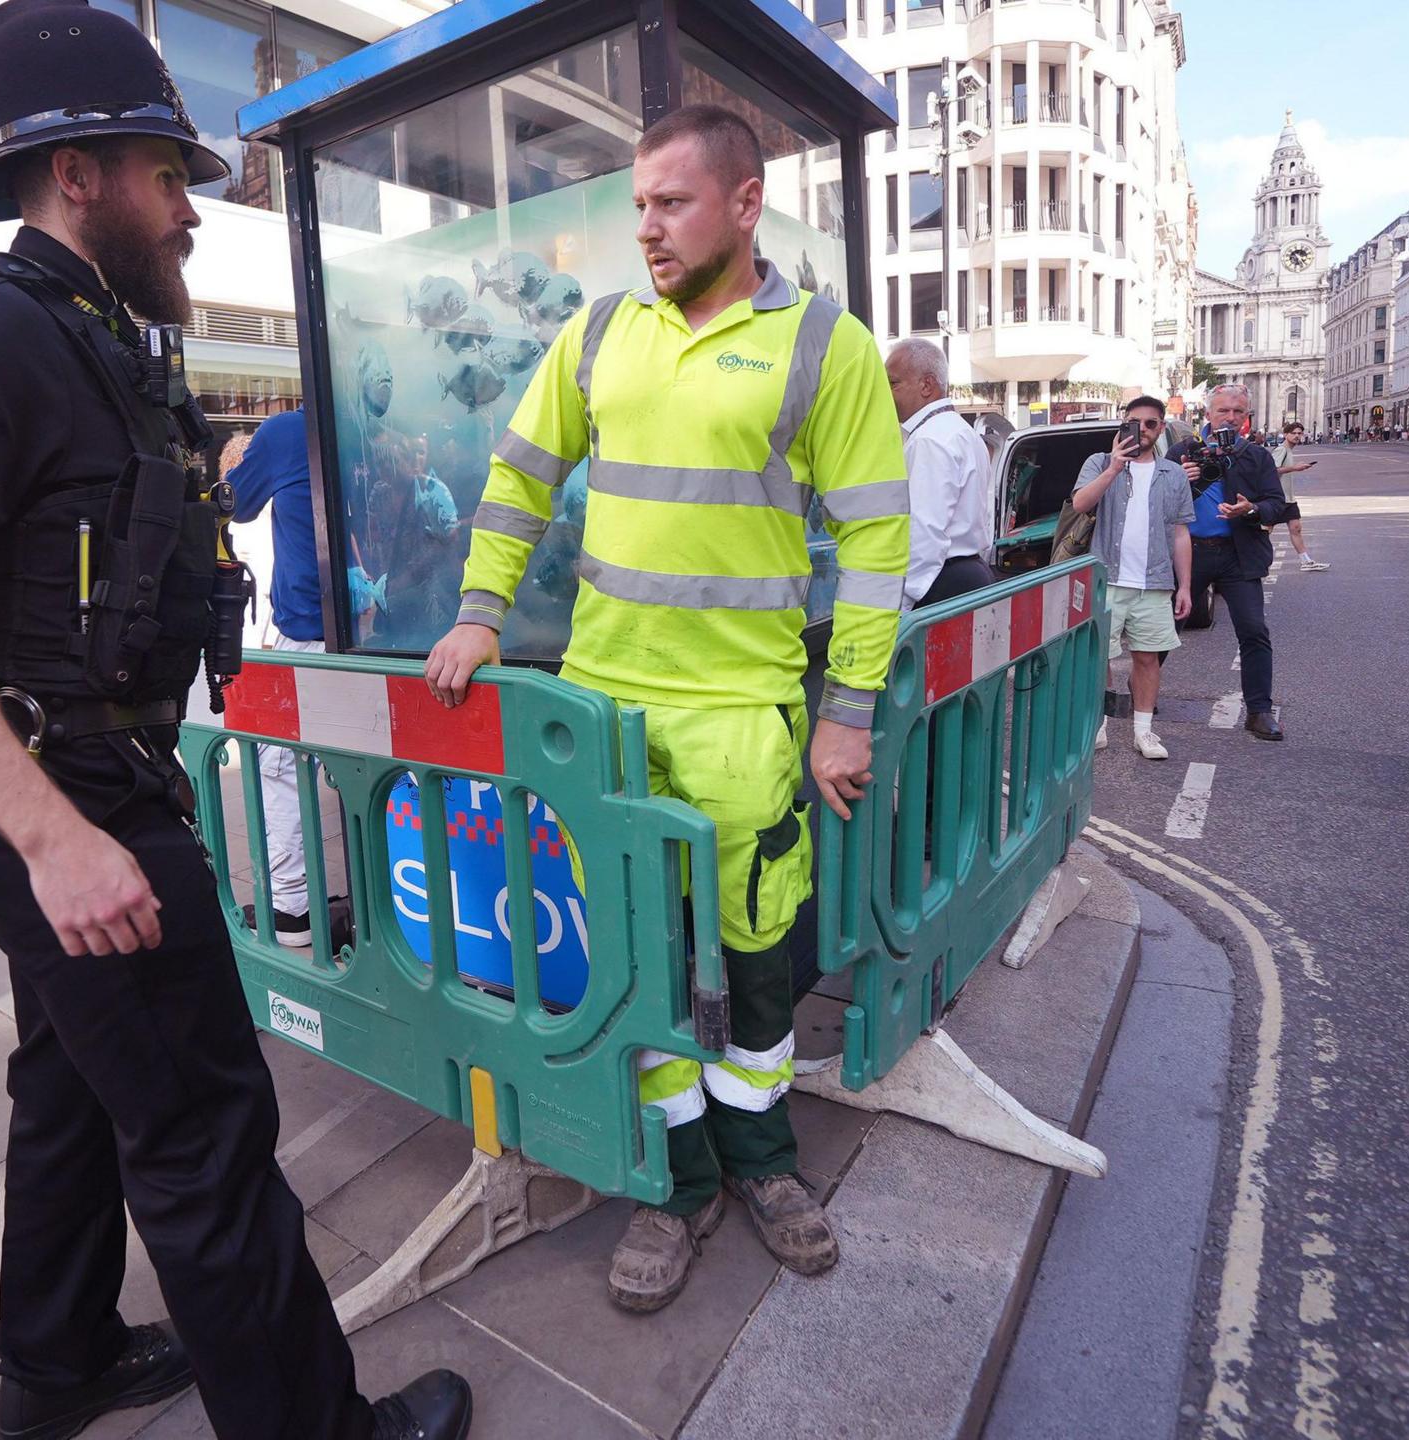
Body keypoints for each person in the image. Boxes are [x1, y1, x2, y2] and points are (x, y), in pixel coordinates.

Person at [0, 7, 466, 1439]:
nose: (190, 212)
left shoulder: (89, 344)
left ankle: (52, 1367)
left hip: (100, 778)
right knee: (206, 1135)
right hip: (72, 804)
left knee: (70, 1082)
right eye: (169, 177)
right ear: (77, 171)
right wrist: (57, 841)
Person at [426, 103, 908, 1313]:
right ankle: (678, 1183)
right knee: (635, 966)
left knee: (753, 970)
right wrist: (481, 609)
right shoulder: (596, 336)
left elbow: (875, 540)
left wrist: (844, 710)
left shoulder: (820, 343)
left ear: (744, 205)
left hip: (745, 721)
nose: (644, 226)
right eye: (636, 204)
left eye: (670, 202)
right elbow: (519, 475)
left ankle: (762, 1162)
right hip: (604, 723)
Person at [226, 410, 328, 945]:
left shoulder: (289, 430)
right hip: (396, 632)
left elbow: (234, 501)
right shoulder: (397, 428)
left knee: (282, 767)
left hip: (310, 636)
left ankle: (292, 908)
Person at [1069, 396, 1191, 760]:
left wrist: (1184, 585)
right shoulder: (1099, 463)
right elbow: (1080, 504)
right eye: (1134, 422)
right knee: (1098, 657)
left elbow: (1181, 533)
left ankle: (1144, 732)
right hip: (1108, 577)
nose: (1143, 430)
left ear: (1161, 427)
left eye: (1151, 424)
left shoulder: (1174, 474)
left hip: (1153, 582)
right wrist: (1112, 468)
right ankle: (1098, 726)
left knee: (1148, 658)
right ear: (1123, 423)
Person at [1175, 384, 1291, 741]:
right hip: (1189, 553)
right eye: (1223, 411)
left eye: (1238, 412)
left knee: (1254, 630)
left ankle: (1259, 711)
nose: (1230, 417)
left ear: (1247, 416)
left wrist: (1252, 509)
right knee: (1163, 629)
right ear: (1208, 414)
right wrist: (1181, 481)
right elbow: (1157, 502)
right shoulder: (1184, 452)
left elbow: (1276, 503)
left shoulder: (1256, 457)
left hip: (1238, 554)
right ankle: (1143, 693)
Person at [885, 337, 995, 606]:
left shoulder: (929, 439)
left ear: (927, 385)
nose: (885, 392)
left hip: (941, 584)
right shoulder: (964, 433)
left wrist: (901, 605)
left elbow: (924, 533)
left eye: (893, 383)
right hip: (971, 574)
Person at [1272, 422, 1326, 572]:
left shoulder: (1288, 450)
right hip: (1277, 498)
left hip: (1289, 499)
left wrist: (1296, 467)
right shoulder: (1281, 450)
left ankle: (1306, 561)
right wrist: (1295, 468)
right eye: (1294, 433)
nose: (1297, 436)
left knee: (1296, 528)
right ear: (1286, 434)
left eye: (1299, 433)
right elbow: (1272, 471)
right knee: (1266, 530)